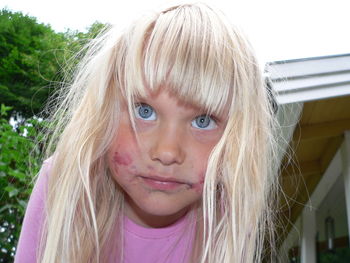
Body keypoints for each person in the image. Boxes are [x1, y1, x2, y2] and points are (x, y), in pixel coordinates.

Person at [15, 2, 279, 263]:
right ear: (102, 113)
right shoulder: (65, 183)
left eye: (203, 120)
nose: (166, 152)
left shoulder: (227, 217)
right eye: (143, 111)